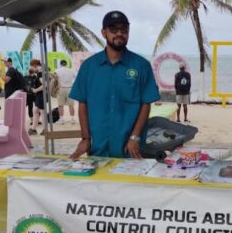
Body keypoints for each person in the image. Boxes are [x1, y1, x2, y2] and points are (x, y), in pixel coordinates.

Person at [69, 11, 160, 159]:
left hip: (130, 150)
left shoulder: (141, 65)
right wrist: (85, 138)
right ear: (104, 33)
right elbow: (83, 103)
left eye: (124, 30)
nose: (119, 33)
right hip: (98, 149)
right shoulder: (89, 67)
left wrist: (135, 137)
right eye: (113, 29)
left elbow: (146, 104)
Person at [55, 60, 76, 124]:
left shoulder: (57, 71)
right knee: (71, 105)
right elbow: (75, 78)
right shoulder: (71, 70)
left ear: (60, 64)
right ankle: (72, 119)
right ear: (66, 64)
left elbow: (55, 80)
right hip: (70, 88)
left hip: (61, 88)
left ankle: (61, 119)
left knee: (60, 105)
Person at [28, 59, 44, 135]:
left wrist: (36, 90)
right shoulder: (40, 72)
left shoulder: (40, 73)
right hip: (40, 95)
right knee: (36, 111)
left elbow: (45, 85)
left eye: (31, 66)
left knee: (42, 112)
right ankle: (33, 129)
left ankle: (45, 130)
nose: (30, 68)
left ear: (34, 65)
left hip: (41, 95)